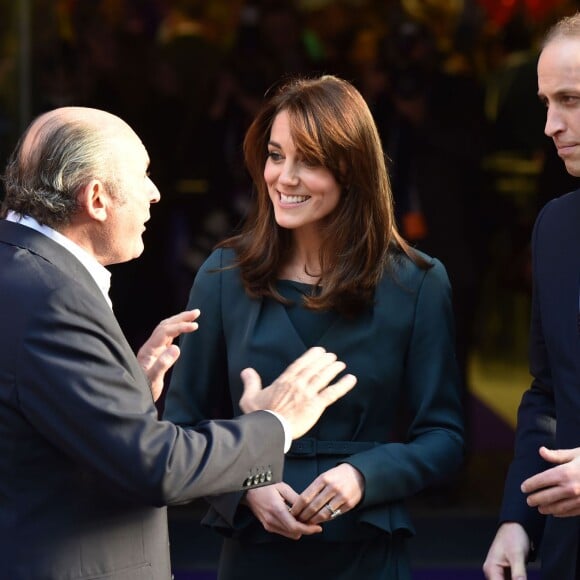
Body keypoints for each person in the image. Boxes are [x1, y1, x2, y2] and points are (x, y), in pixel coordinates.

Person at [0, 106, 358, 580]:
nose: (154, 194)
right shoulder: (51, 296)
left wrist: (122, 388)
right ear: (97, 199)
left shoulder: (20, 270)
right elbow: (157, 467)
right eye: (143, 176)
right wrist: (277, 422)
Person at [164, 75, 465, 579]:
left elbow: (443, 436)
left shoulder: (418, 283)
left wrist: (365, 476)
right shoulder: (222, 277)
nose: (285, 177)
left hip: (368, 549)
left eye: (310, 160)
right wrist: (245, 482)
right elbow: (179, 430)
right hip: (254, 551)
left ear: (353, 171)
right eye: (276, 155)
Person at [483, 12, 580, 580]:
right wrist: (519, 519)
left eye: (570, 99)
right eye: (547, 102)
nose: (550, 125)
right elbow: (548, 393)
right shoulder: (555, 228)